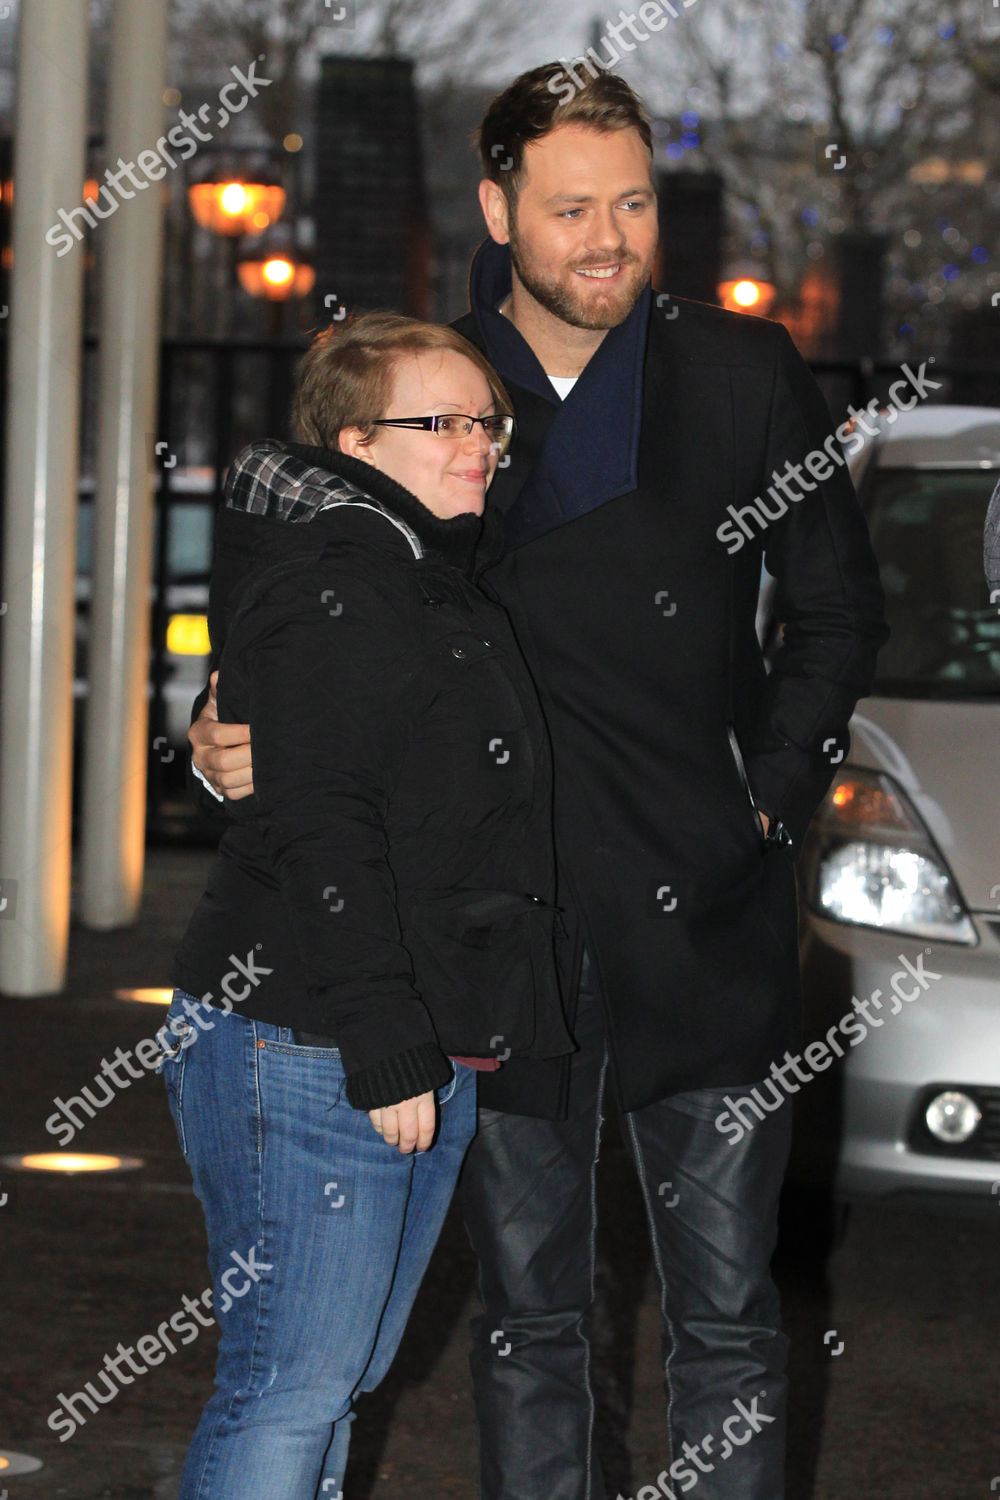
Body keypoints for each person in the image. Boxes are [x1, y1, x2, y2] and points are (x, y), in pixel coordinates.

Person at [189, 66, 889, 1500]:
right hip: (503, 935)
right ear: (501, 208)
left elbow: (838, 614)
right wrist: (207, 720)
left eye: (631, 204)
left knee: (731, 1321)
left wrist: (764, 797)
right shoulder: (434, 389)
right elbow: (298, 568)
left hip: (708, 916)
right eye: (571, 207)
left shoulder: (743, 371)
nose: (607, 238)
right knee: (528, 1324)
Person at [160, 310, 573, 1500]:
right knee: (288, 1391)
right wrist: (384, 1042)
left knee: (328, 1390)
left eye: (486, 421)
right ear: (353, 439)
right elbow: (322, 825)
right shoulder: (342, 572)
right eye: (439, 422)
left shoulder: (423, 568)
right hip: (311, 1033)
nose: (479, 444)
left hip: (397, 1033)